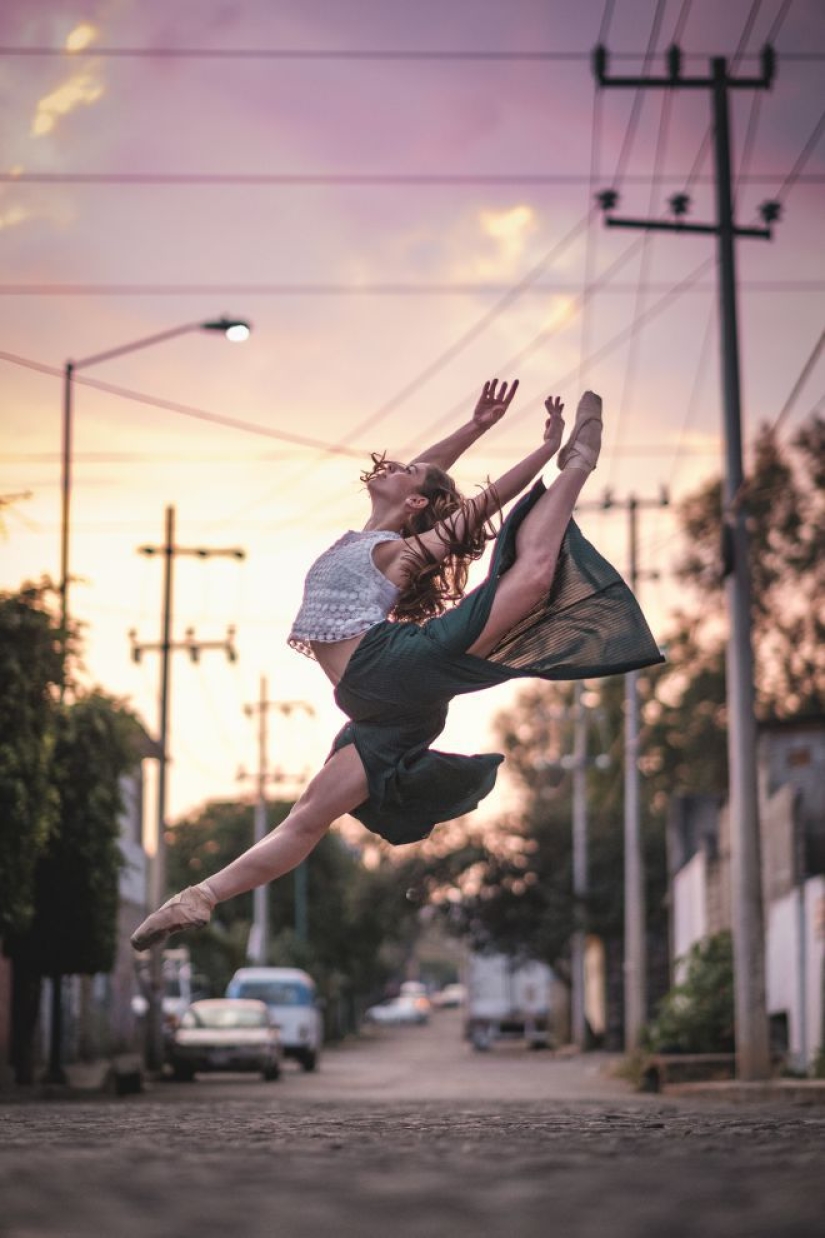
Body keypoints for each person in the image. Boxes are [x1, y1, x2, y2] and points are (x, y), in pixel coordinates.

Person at [131, 381, 663, 952]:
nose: (401, 463)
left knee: (530, 579)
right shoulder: (368, 536)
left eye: (408, 471)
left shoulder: (398, 553)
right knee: (307, 816)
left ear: (413, 503)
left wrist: (544, 453)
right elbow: (430, 473)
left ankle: (577, 463)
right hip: (380, 708)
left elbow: (477, 507)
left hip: (396, 668)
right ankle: (198, 898)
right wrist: (477, 425)